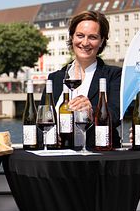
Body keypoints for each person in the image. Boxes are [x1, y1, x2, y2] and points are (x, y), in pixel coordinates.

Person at [41, 10, 122, 148]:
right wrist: (48, 135)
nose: (85, 43)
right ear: (72, 37)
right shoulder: (55, 78)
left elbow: (116, 116)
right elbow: (41, 119)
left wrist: (92, 112)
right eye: (80, 35)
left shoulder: (114, 75)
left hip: (97, 159)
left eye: (92, 37)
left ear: (102, 41)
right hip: (58, 160)